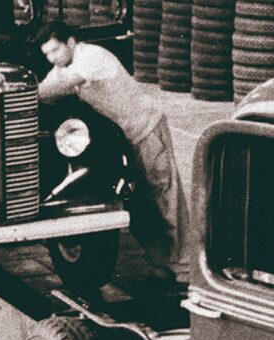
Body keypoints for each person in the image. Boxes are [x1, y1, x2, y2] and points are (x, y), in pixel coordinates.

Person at [35, 21, 189, 284]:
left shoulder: (91, 57)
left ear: (71, 42)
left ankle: (185, 267)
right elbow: (48, 89)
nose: (52, 58)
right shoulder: (64, 65)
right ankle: (161, 262)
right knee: (138, 199)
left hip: (146, 127)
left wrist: (26, 90)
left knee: (164, 195)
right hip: (124, 135)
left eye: (55, 50)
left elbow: (56, 87)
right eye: (47, 54)